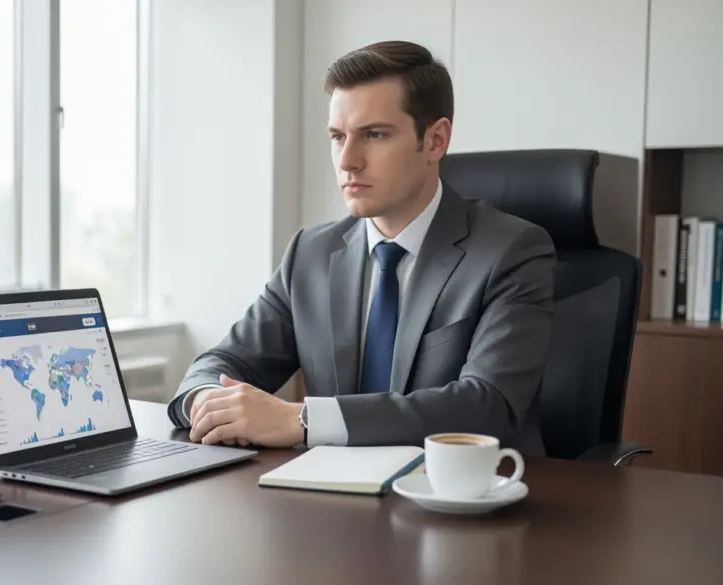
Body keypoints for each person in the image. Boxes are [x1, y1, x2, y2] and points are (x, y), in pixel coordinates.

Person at [165, 40, 555, 456]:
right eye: (338, 136)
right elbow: (222, 364)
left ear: (436, 140)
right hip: (327, 488)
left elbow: (486, 406)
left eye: (374, 134)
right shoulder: (310, 254)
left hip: (459, 489)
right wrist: (208, 402)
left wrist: (301, 420)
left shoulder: (511, 252)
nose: (348, 160)